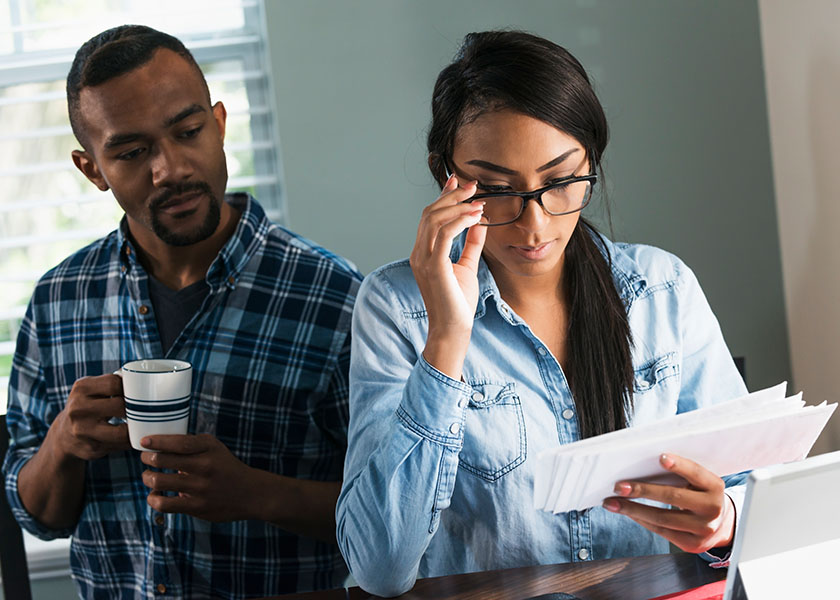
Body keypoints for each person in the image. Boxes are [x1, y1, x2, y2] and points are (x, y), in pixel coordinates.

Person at [336, 30, 747, 596]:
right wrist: (447, 343)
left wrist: (723, 520)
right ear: (445, 177)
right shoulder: (398, 310)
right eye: (497, 188)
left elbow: (754, 492)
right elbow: (381, 569)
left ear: (591, 160)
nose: (534, 224)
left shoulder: (662, 290)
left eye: (559, 183)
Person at [2, 25, 360, 598]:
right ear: (92, 169)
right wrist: (63, 443)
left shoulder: (336, 299)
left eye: (188, 131)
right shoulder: (57, 301)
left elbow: (398, 519)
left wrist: (255, 494)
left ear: (219, 125)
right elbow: (38, 516)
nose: (169, 169)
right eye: (132, 152)